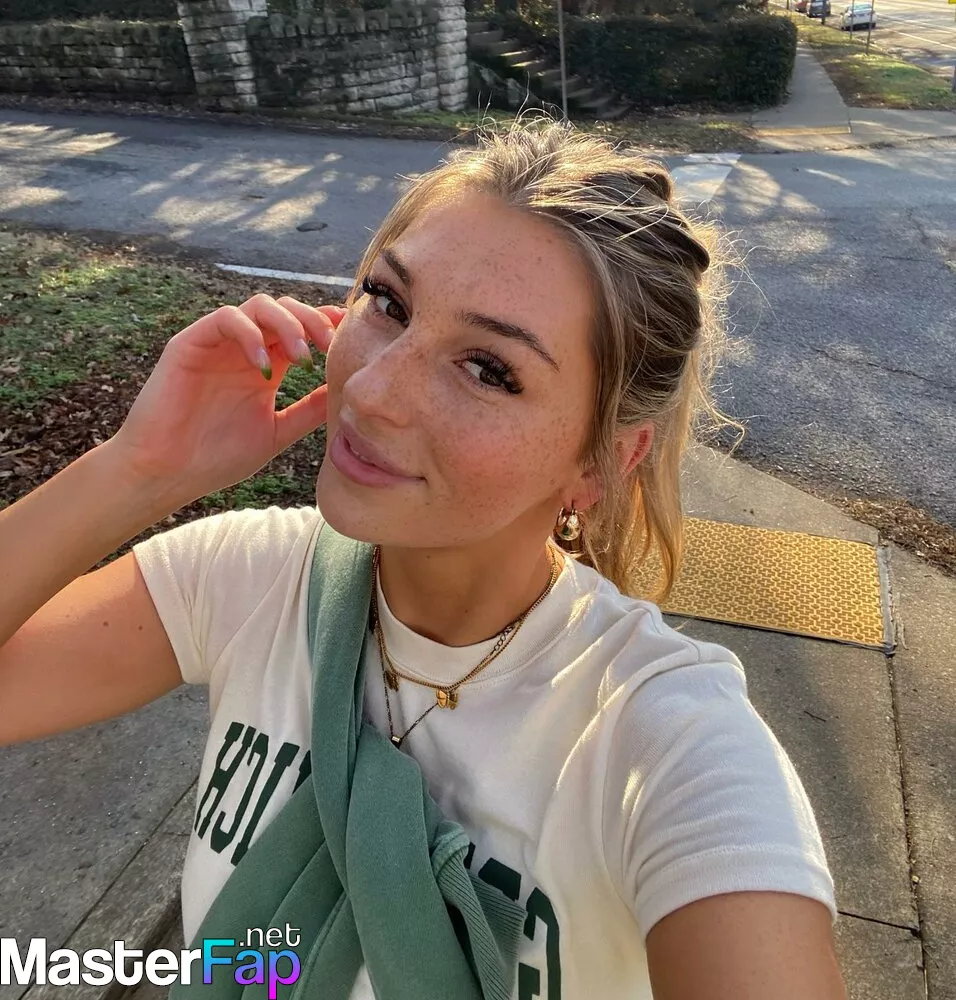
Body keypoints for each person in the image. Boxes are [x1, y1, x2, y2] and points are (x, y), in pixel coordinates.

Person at [0, 118, 847, 999]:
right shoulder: (248, 578)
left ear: (601, 462)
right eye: (389, 303)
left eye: (487, 369)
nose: (369, 390)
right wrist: (140, 470)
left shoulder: (663, 742)